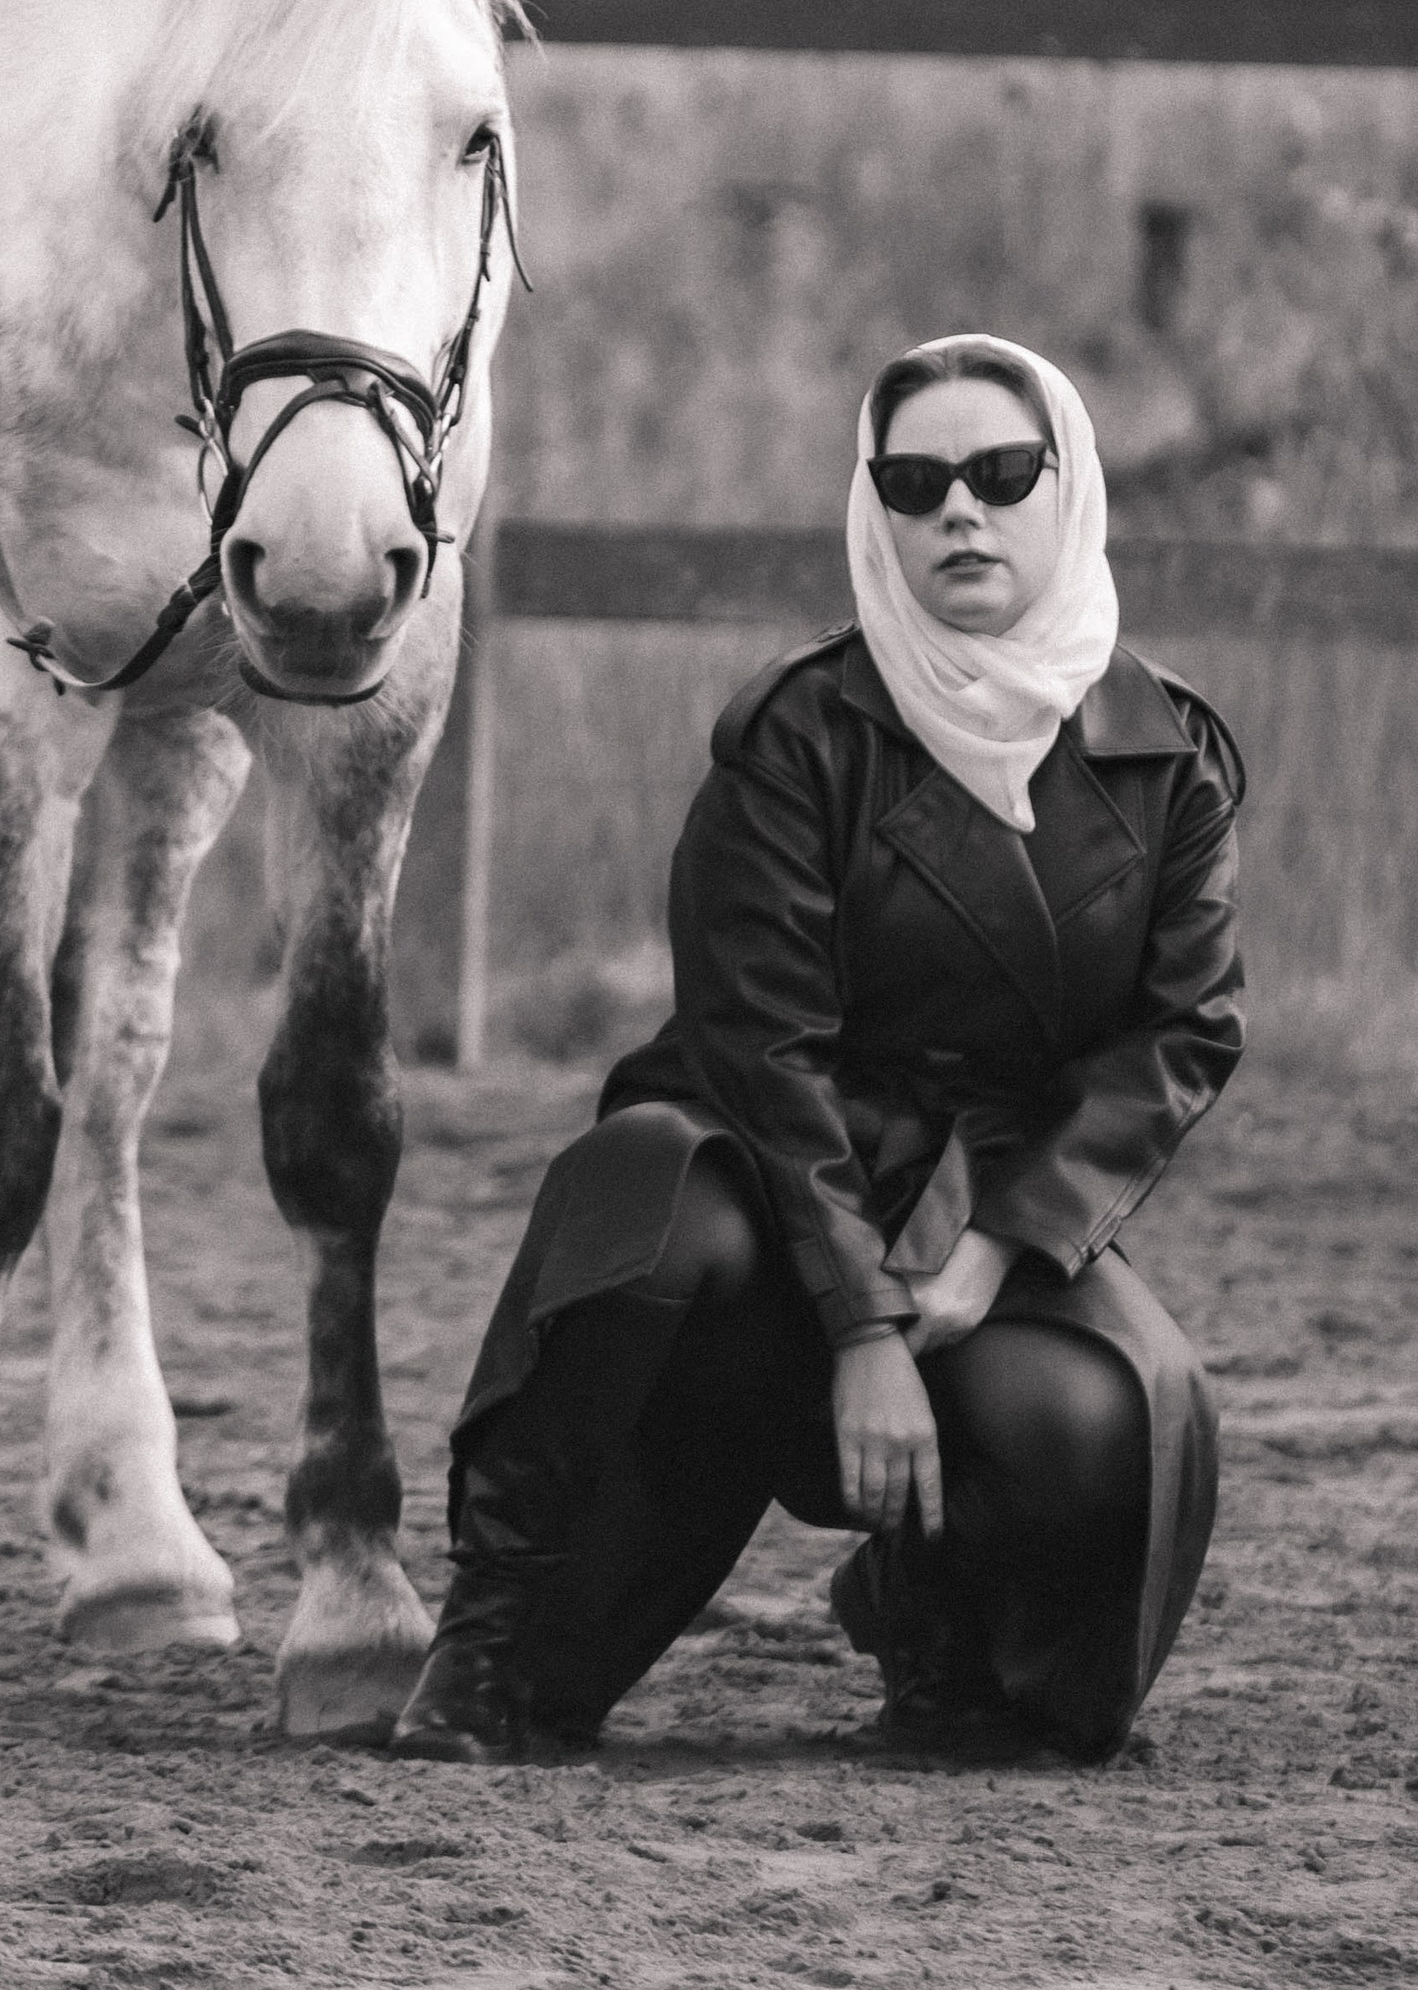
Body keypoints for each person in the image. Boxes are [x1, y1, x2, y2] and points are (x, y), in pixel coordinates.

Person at [389, 333, 1246, 1766]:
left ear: (1070, 486)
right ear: (876, 510)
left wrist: (992, 1253)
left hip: (989, 1207)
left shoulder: (1173, 758)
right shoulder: (796, 735)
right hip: (762, 1182)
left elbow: (1183, 1034)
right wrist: (862, 1327)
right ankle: (495, 1639)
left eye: (1002, 473)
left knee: (1103, 1419)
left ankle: (944, 1626)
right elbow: (762, 1044)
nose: (959, 511)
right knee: (643, 1192)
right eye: (915, 484)